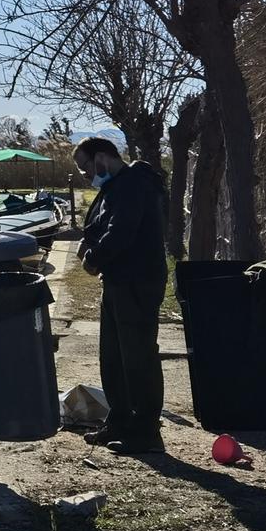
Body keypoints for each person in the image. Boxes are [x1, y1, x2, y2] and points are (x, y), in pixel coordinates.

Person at [74, 136, 169, 455]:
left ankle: (145, 431)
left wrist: (93, 257)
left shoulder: (135, 184)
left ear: (101, 157)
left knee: (138, 356)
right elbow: (97, 225)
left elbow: (121, 231)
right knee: (113, 357)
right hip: (116, 281)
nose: (86, 176)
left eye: (86, 167)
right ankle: (120, 421)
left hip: (138, 282)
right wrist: (87, 246)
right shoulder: (113, 188)